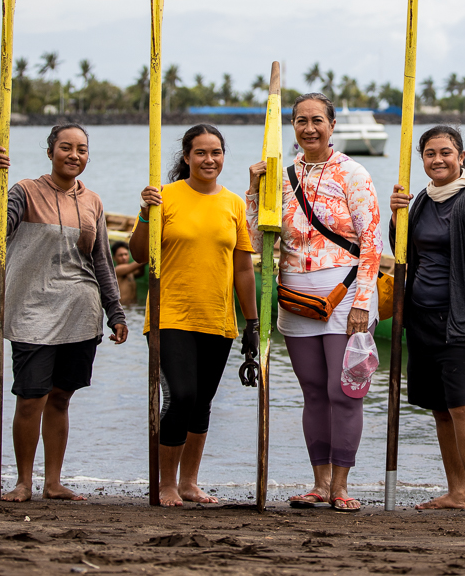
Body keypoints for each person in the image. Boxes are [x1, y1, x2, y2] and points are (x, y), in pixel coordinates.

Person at [247, 92, 382, 513]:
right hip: (294, 294)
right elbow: (255, 241)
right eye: (301, 120)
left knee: (344, 391)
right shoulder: (280, 177)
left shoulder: (352, 173)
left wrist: (362, 300)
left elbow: (373, 242)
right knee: (313, 393)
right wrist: (254, 191)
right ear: (291, 125)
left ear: (332, 125)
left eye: (317, 120)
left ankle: (341, 485)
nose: (309, 128)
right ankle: (319, 484)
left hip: (345, 293)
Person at [0, 123, 128, 502]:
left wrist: (116, 312)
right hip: (31, 309)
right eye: (66, 147)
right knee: (31, 396)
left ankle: (54, 482)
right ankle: (23, 482)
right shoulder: (24, 191)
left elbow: (101, 262)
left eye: (81, 149)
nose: (74, 155)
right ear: (50, 152)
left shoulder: (92, 201)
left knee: (61, 397)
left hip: (81, 310)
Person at [130, 124, 259, 507]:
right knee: (181, 396)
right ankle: (166, 483)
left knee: (202, 402)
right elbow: (139, 253)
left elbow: (243, 270)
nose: (209, 160)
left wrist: (251, 323)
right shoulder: (164, 197)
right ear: (186, 157)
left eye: (216, 152)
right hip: (170, 314)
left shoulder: (234, 203)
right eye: (201, 152)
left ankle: (189, 483)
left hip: (218, 318)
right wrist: (144, 213)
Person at [389, 125, 465, 518]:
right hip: (421, 320)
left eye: (446, 152)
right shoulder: (421, 199)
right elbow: (404, 252)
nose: (438, 160)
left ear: (461, 157)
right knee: (440, 408)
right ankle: (457, 491)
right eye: (430, 154)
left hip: (463, 322)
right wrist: (396, 217)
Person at [111, 242, 144, 306]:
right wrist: (151, 253)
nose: (124, 257)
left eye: (126, 254)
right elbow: (140, 263)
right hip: (123, 308)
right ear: (114, 258)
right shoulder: (117, 270)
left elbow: (140, 272)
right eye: (120, 255)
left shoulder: (131, 272)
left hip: (132, 307)